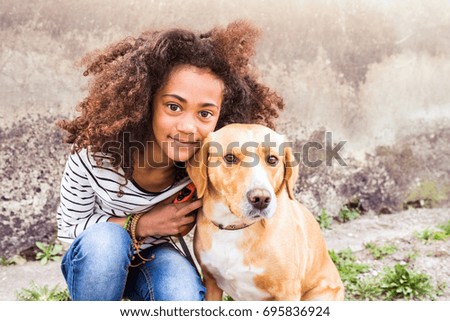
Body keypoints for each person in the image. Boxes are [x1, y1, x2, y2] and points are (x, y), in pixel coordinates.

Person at [56, 20, 284, 301]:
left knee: (182, 295)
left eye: (205, 114)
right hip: (95, 262)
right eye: (173, 106)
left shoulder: (211, 164)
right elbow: (69, 231)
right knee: (107, 242)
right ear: (145, 102)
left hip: (154, 258)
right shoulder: (93, 157)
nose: (188, 127)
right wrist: (143, 225)